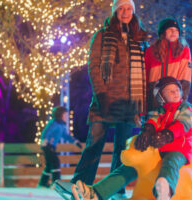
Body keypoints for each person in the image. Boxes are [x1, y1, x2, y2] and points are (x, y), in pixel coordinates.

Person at [61, 0, 149, 198]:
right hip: (105, 101)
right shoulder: (101, 35)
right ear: (115, 11)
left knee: (122, 151)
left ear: (133, 12)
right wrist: (101, 95)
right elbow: (94, 67)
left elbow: (145, 73)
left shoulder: (141, 38)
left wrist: (141, 106)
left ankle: (116, 189)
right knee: (94, 145)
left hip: (129, 104)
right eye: (121, 9)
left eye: (129, 9)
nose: (125, 12)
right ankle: (78, 185)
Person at [63, 76, 192, 200]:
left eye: (177, 90)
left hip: (178, 149)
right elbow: (152, 121)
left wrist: (167, 135)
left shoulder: (185, 108)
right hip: (157, 149)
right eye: (170, 91)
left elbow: (183, 123)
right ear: (161, 97)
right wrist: (146, 131)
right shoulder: (159, 111)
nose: (175, 93)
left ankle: (164, 189)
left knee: (170, 163)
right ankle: (96, 193)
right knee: (130, 166)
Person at [145, 18, 192, 112]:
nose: (174, 32)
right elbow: (146, 76)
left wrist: (181, 101)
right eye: (170, 29)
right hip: (154, 100)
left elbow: (185, 78)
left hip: (174, 101)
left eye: (176, 30)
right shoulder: (151, 51)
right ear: (162, 32)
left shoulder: (183, 51)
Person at [38, 106, 82, 188]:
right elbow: (46, 132)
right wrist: (45, 140)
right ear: (60, 115)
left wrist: (75, 142)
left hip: (51, 146)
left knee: (49, 165)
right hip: (47, 146)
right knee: (55, 163)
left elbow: (66, 136)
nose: (67, 117)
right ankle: (55, 184)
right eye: (65, 115)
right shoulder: (54, 123)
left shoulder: (62, 126)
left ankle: (42, 184)